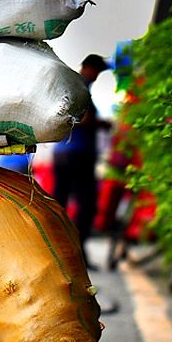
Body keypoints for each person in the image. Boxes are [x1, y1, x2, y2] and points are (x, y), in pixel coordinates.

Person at [53, 53, 112, 270]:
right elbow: (82, 119)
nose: (97, 76)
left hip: (63, 153)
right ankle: (76, 255)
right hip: (77, 155)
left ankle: (58, 253)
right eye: (97, 71)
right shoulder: (81, 85)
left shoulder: (71, 83)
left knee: (61, 202)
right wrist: (101, 124)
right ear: (89, 68)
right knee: (86, 204)